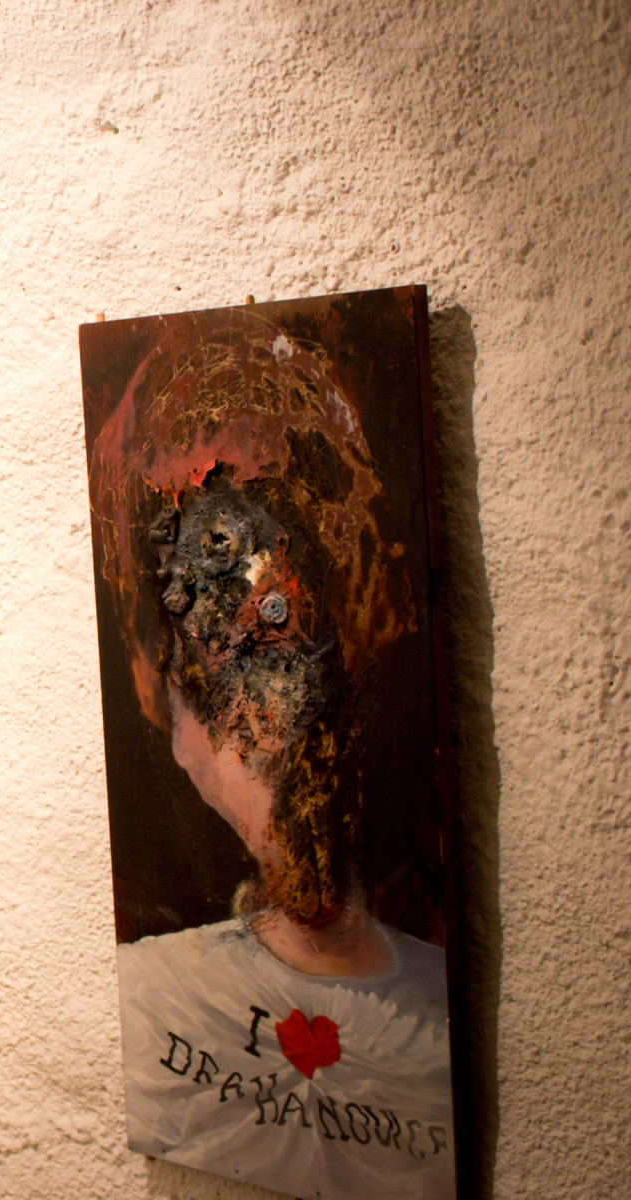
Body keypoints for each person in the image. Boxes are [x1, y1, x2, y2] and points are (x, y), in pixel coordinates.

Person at [88, 310, 454, 1200]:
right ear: (163, 699)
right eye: (218, 664)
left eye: (283, 640)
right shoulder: (159, 995)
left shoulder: (435, 1012)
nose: (267, 723)